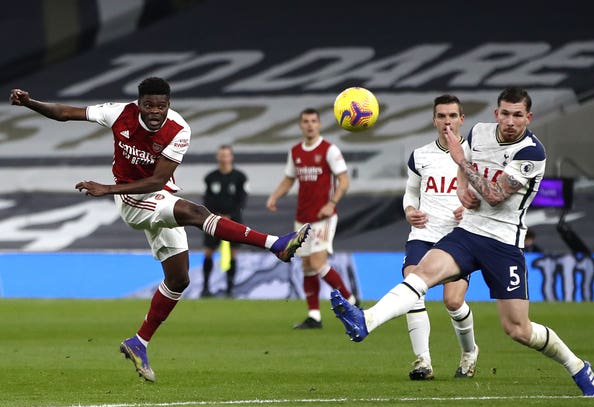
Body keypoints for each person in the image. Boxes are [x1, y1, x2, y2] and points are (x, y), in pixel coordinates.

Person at [9, 77, 310, 382]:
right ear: (138, 104)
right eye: (149, 104)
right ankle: (276, 245)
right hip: (131, 202)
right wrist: (30, 103)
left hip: (157, 194)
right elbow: (65, 113)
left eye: (161, 105)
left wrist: (104, 188)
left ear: (169, 104)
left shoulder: (179, 129)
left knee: (179, 279)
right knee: (197, 213)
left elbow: (156, 181)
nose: (155, 111)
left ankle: (138, 342)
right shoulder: (118, 114)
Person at [330, 87, 594, 396]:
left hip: (504, 244)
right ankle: (366, 320)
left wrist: (460, 161)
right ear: (495, 113)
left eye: (517, 115)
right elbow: (467, 166)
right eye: (505, 113)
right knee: (420, 274)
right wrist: (461, 189)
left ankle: (577, 366)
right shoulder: (481, 132)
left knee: (518, 329)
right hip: (468, 233)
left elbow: (495, 195)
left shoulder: (531, 152)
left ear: (529, 117)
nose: (510, 121)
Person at [402, 95, 479, 381]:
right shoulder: (420, 155)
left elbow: (488, 192)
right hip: (423, 234)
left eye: (452, 116)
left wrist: (471, 206)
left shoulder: (474, 154)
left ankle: (469, 352)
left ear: (462, 119)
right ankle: (423, 362)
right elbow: (411, 191)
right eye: (442, 116)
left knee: (453, 302)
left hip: (460, 237)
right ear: (434, 120)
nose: (447, 121)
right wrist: (410, 210)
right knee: (412, 289)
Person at [267, 108, 356, 329]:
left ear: (319, 125)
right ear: (300, 125)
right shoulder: (295, 151)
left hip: (324, 217)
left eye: (313, 121)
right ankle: (314, 316)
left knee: (317, 262)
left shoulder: (329, 150)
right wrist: (275, 196)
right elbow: (289, 179)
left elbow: (344, 180)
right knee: (307, 265)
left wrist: (331, 203)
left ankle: (352, 301)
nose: (309, 125)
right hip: (303, 218)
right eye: (305, 121)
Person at [201, 145, 248, 298]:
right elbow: (206, 199)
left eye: (226, 155)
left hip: (234, 220)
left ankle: (230, 289)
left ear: (231, 157)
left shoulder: (240, 177)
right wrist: (217, 215)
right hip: (214, 220)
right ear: (217, 157)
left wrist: (230, 215)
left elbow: (242, 200)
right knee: (209, 251)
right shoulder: (210, 177)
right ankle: (205, 288)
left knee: (233, 253)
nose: (223, 158)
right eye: (221, 155)